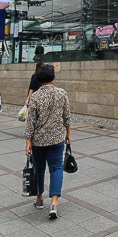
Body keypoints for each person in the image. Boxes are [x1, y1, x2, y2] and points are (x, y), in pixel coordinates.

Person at [24, 63, 71, 220]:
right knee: (56, 168)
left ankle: (39, 199)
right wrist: (68, 134)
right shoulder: (62, 93)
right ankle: (54, 203)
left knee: (39, 168)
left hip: (39, 140)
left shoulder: (35, 97)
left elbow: (31, 121)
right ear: (53, 77)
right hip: (57, 138)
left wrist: (28, 141)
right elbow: (67, 117)